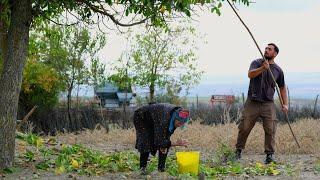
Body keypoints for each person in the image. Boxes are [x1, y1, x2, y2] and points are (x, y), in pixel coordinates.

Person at [235, 43, 288, 164]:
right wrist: (262, 68)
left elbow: (282, 87)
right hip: (252, 102)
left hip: (268, 104)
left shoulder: (278, 70)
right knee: (244, 127)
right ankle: (238, 151)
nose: (266, 50)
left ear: (275, 54)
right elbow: (250, 74)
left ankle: (269, 155)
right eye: (266, 48)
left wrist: (285, 104)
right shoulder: (256, 63)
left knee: (271, 128)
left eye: (269, 49)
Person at [133, 103, 189, 173]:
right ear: (175, 118)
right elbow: (159, 141)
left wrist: (164, 145)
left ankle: (161, 169)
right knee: (146, 141)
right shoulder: (165, 119)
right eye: (179, 122)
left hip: (154, 120)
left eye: (182, 123)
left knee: (165, 143)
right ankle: (142, 168)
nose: (180, 125)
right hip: (141, 117)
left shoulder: (173, 118)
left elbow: (165, 139)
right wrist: (176, 143)